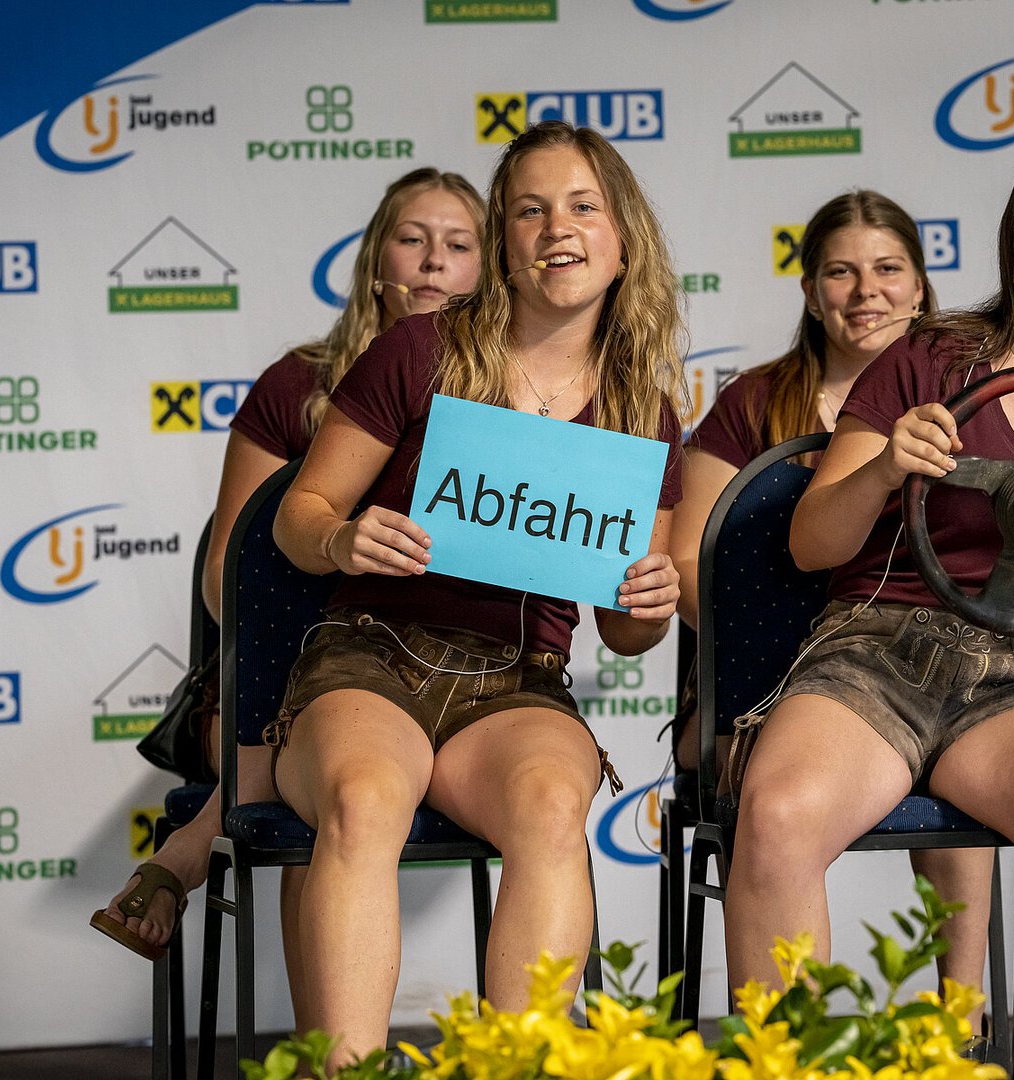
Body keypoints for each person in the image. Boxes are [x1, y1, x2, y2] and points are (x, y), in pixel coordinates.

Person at [724, 141, 1014, 1080]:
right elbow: (812, 543)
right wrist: (886, 468)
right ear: (1013, 245)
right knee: (776, 816)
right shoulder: (927, 359)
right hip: (871, 654)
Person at [270, 120, 687, 1067]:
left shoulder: (643, 411)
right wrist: (341, 537)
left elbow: (624, 633)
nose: (557, 228)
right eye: (530, 211)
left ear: (624, 239)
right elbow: (299, 516)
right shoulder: (419, 350)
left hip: (518, 680)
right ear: (503, 243)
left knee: (551, 806)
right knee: (367, 797)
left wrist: (650, 601)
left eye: (583, 207)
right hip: (372, 652)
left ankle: (519, 1064)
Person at [92, 168, 486, 999]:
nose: (433, 262)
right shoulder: (297, 386)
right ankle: (332, 1054)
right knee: (333, 767)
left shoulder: (511, 401)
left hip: (435, 686)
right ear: (375, 261)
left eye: (458, 245)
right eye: (412, 239)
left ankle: (183, 856)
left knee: (348, 752)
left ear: (487, 271)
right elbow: (224, 576)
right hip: (265, 686)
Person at [669, 190, 995, 1018]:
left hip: (918, 680)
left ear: (919, 286)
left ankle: (961, 1021)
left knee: (959, 733)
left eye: (888, 268)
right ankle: (786, 1041)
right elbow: (687, 566)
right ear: (811, 292)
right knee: (783, 793)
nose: (866, 290)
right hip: (762, 693)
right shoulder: (752, 403)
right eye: (841, 272)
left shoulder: (971, 400)